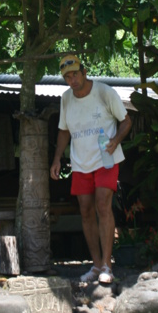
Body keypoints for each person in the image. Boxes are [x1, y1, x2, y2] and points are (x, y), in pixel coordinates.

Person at [50, 53, 132, 284]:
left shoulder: (105, 93)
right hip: (80, 162)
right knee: (85, 210)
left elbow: (126, 121)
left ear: (84, 72)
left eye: (75, 74)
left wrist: (115, 140)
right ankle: (96, 265)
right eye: (67, 77)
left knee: (103, 204)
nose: (72, 80)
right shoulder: (66, 99)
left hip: (106, 158)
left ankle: (108, 265)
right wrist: (57, 158)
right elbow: (64, 130)